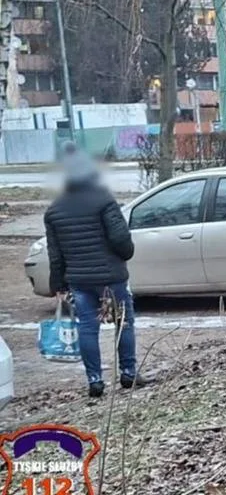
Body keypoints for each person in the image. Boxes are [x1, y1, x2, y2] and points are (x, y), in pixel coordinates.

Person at [44, 142, 138, 397]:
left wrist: (58, 285)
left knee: (87, 327)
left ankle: (95, 380)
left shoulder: (54, 211)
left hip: (80, 280)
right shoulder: (103, 200)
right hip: (111, 279)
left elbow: (55, 254)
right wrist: (126, 254)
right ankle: (128, 374)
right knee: (124, 323)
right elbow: (120, 239)